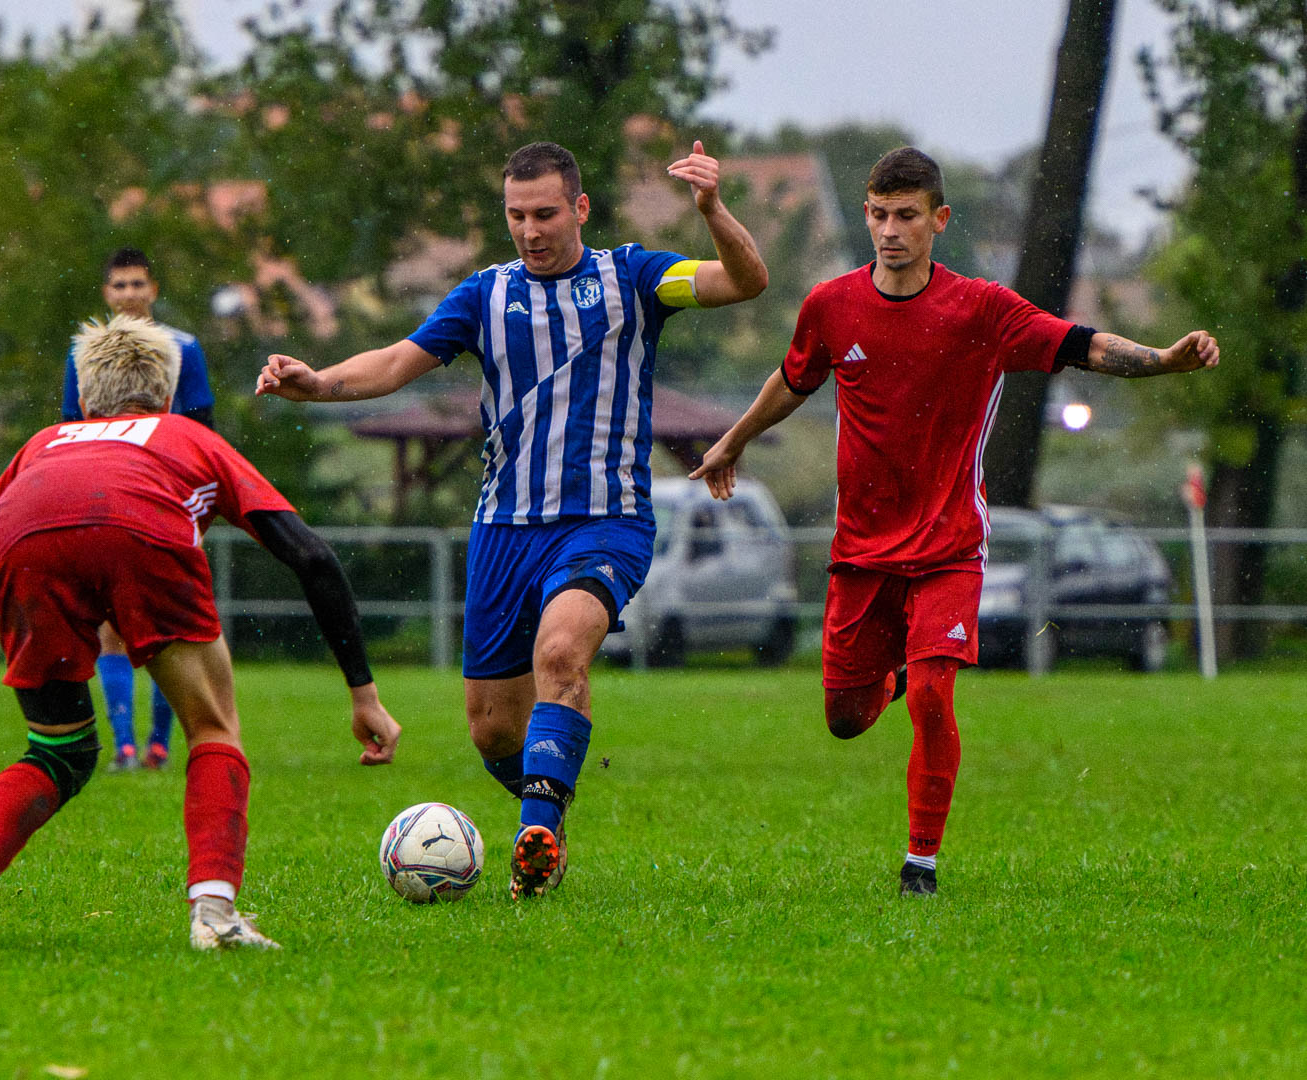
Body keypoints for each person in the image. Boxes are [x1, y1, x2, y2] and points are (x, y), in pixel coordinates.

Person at [689, 147, 1219, 897]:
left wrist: (1163, 360)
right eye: (879, 214)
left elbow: (1081, 344)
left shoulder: (982, 310)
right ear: (866, 215)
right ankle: (891, 677)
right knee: (845, 718)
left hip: (949, 546)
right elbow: (794, 376)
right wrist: (732, 441)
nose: (890, 230)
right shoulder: (832, 305)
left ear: (939, 220)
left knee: (935, 695)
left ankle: (921, 865)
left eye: (906, 215)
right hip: (861, 550)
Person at [256, 140, 768, 899]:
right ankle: (548, 815)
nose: (530, 230)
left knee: (560, 654)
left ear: (580, 208)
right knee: (493, 729)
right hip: (503, 528)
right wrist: (316, 382)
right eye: (516, 215)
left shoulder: (636, 277)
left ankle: (535, 839)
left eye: (546, 214)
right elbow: (396, 361)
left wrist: (712, 210)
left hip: (604, 520)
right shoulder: (485, 296)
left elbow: (746, 281)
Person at [0, 314, 401, 952]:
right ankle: (214, 912)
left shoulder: (41, 446)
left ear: (83, 399)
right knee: (213, 729)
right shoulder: (185, 435)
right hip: (142, 531)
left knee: (58, 750)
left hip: (27, 542)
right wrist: (362, 693)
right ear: (166, 395)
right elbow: (312, 556)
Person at [64, 248, 217, 772]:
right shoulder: (84, 352)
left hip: (167, 495)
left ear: (153, 289)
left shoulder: (183, 348)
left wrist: (195, 500)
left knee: (171, 624)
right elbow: (71, 425)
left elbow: (201, 428)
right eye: (119, 285)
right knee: (111, 626)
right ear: (106, 293)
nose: (129, 293)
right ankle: (125, 744)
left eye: (137, 284)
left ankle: (160, 743)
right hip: (107, 496)